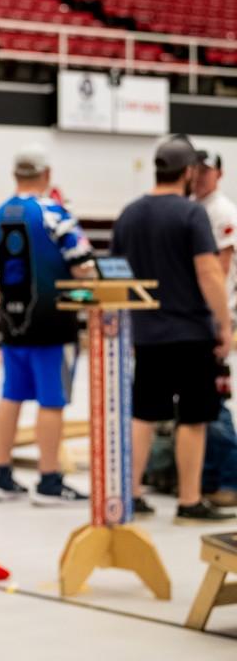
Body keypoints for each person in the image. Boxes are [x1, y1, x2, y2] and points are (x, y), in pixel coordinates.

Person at [113, 134, 236, 525]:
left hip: (147, 335)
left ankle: (132, 495)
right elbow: (209, 273)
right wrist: (225, 325)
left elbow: (117, 276)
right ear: (187, 172)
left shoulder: (129, 213)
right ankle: (189, 500)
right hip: (191, 334)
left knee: (143, 415)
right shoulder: (190, 214)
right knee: (194, 419)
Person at [0, 148, 95, 505]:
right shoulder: (55, 213)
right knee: (52, 400)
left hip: (12, 324)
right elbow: (82, 264)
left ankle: (2, 476)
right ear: (46, 174)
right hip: (54, 324)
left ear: (16, 175)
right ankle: (49, 480)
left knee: (11, 394)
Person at [192, 148, 237, 508]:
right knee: (202, 404)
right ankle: (207, 478)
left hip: (216, 317)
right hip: (198, 318)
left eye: (207, 171)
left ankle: (229, 482)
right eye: (196, 169)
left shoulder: (222, 211)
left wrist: (221, 321)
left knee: (216, 406)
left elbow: (220, 269)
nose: (201, 176)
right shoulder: (194, 208)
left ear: (218, 175)